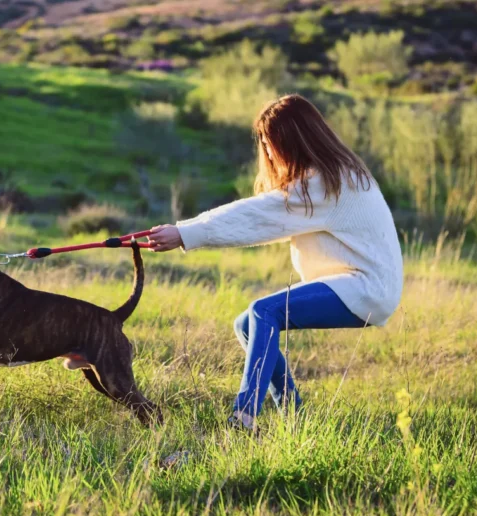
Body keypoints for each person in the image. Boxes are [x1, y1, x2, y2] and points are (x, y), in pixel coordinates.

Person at [147, 94, 403, 430]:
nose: (267, 153)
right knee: (246, 324)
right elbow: (264, 217)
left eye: (270, 143)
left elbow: (255, 215)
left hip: (367, 287)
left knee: (263, 311)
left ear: (292, 141)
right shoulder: (330, 176)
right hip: (358, 282)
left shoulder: (326, 184)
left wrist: (184, 233)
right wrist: (185, 233)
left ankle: (244, 415)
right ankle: (295, 417)